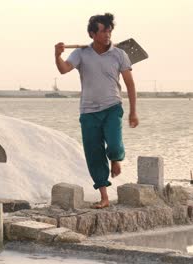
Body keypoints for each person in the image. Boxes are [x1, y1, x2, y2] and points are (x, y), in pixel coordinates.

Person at [54, 13, 139, 209]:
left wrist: (133, 111)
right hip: (88, 111)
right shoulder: (81, 53)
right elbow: (64, 69)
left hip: (112, 108)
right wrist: (57, 55)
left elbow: (130, 84)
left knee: (115, 145)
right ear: (92, 34)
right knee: (94, 154)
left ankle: (116, 158)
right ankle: (104, 196)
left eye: (109, 31)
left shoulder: (120, 54)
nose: (107, 34)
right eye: (103, 31)